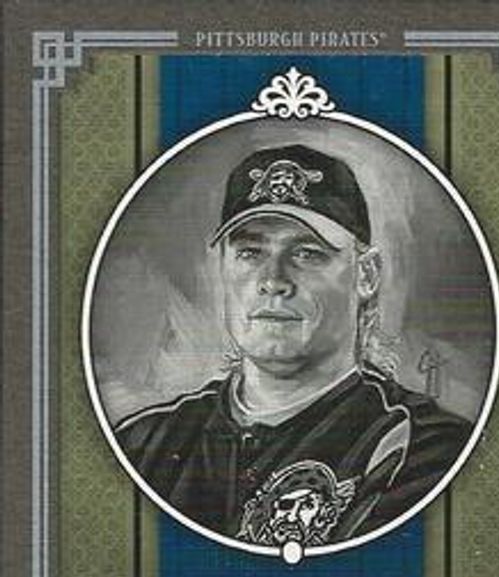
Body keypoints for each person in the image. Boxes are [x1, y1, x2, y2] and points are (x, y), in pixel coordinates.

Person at [116, 144, 471, 548]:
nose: (273, 281)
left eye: (306, 253)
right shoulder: (144, 442)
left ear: (366, 275)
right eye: (250, 252)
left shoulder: (425, 447)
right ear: (222, 269)